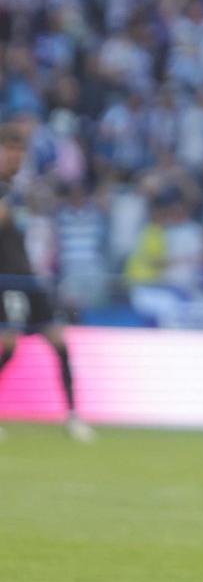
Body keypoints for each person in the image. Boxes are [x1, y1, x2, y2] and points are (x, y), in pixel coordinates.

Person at [0, 124, 95, 442]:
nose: (14, 157)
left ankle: (72, 416)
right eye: (9, 151)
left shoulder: (21, 190)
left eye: (19, 152)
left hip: (30, 278)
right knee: (9, 346)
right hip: (7, 279)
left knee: (60, 343)